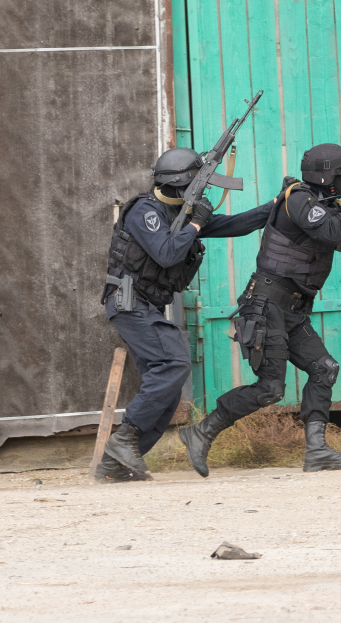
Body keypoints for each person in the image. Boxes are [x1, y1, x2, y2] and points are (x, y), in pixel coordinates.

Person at [177, 144, 341, 475]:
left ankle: (316, 449)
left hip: (291, 309)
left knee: (324, 369)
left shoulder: (324, 204)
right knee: (271, 388)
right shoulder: (299, 199)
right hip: (266, 304)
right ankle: (201, 432)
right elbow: (333, 229)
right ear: (327, 175)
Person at [97, 147, 275, 482]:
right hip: (129, 304)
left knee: (167, 388)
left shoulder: (180, 214)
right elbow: (166, 253)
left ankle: (115, 466)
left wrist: (277, 205)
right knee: (174, 364)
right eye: (197, 184)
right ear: (181, 185)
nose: (203, 192)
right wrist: (196, 222)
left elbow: (236, 224)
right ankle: (122, 441)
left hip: (145, 307)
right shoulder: (146, 212)